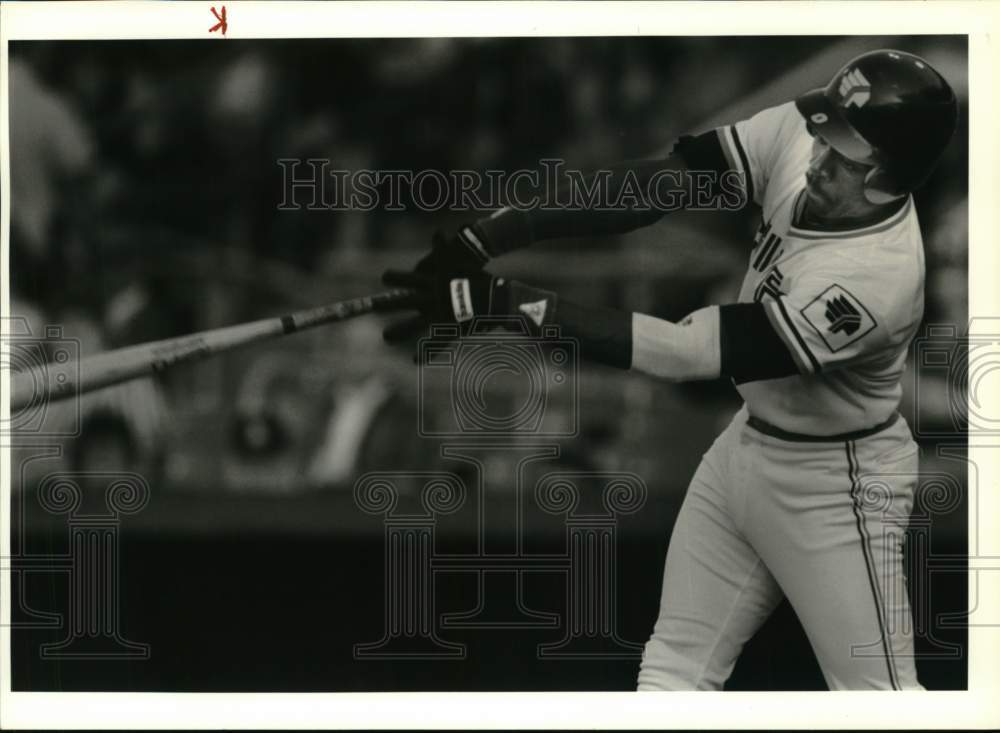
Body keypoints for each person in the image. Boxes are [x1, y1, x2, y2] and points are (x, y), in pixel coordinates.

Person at [380, 49, 958, 690]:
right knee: (673, 669)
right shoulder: (803, 133)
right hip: (746, 446)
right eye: (825, 136)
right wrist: (483, 237)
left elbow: (687, 353)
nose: (818, 160)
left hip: (838, 482)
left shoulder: (875, 278)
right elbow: (657, 186)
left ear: (896, 175)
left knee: (881, 699)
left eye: (847, 156)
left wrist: (495, 303)